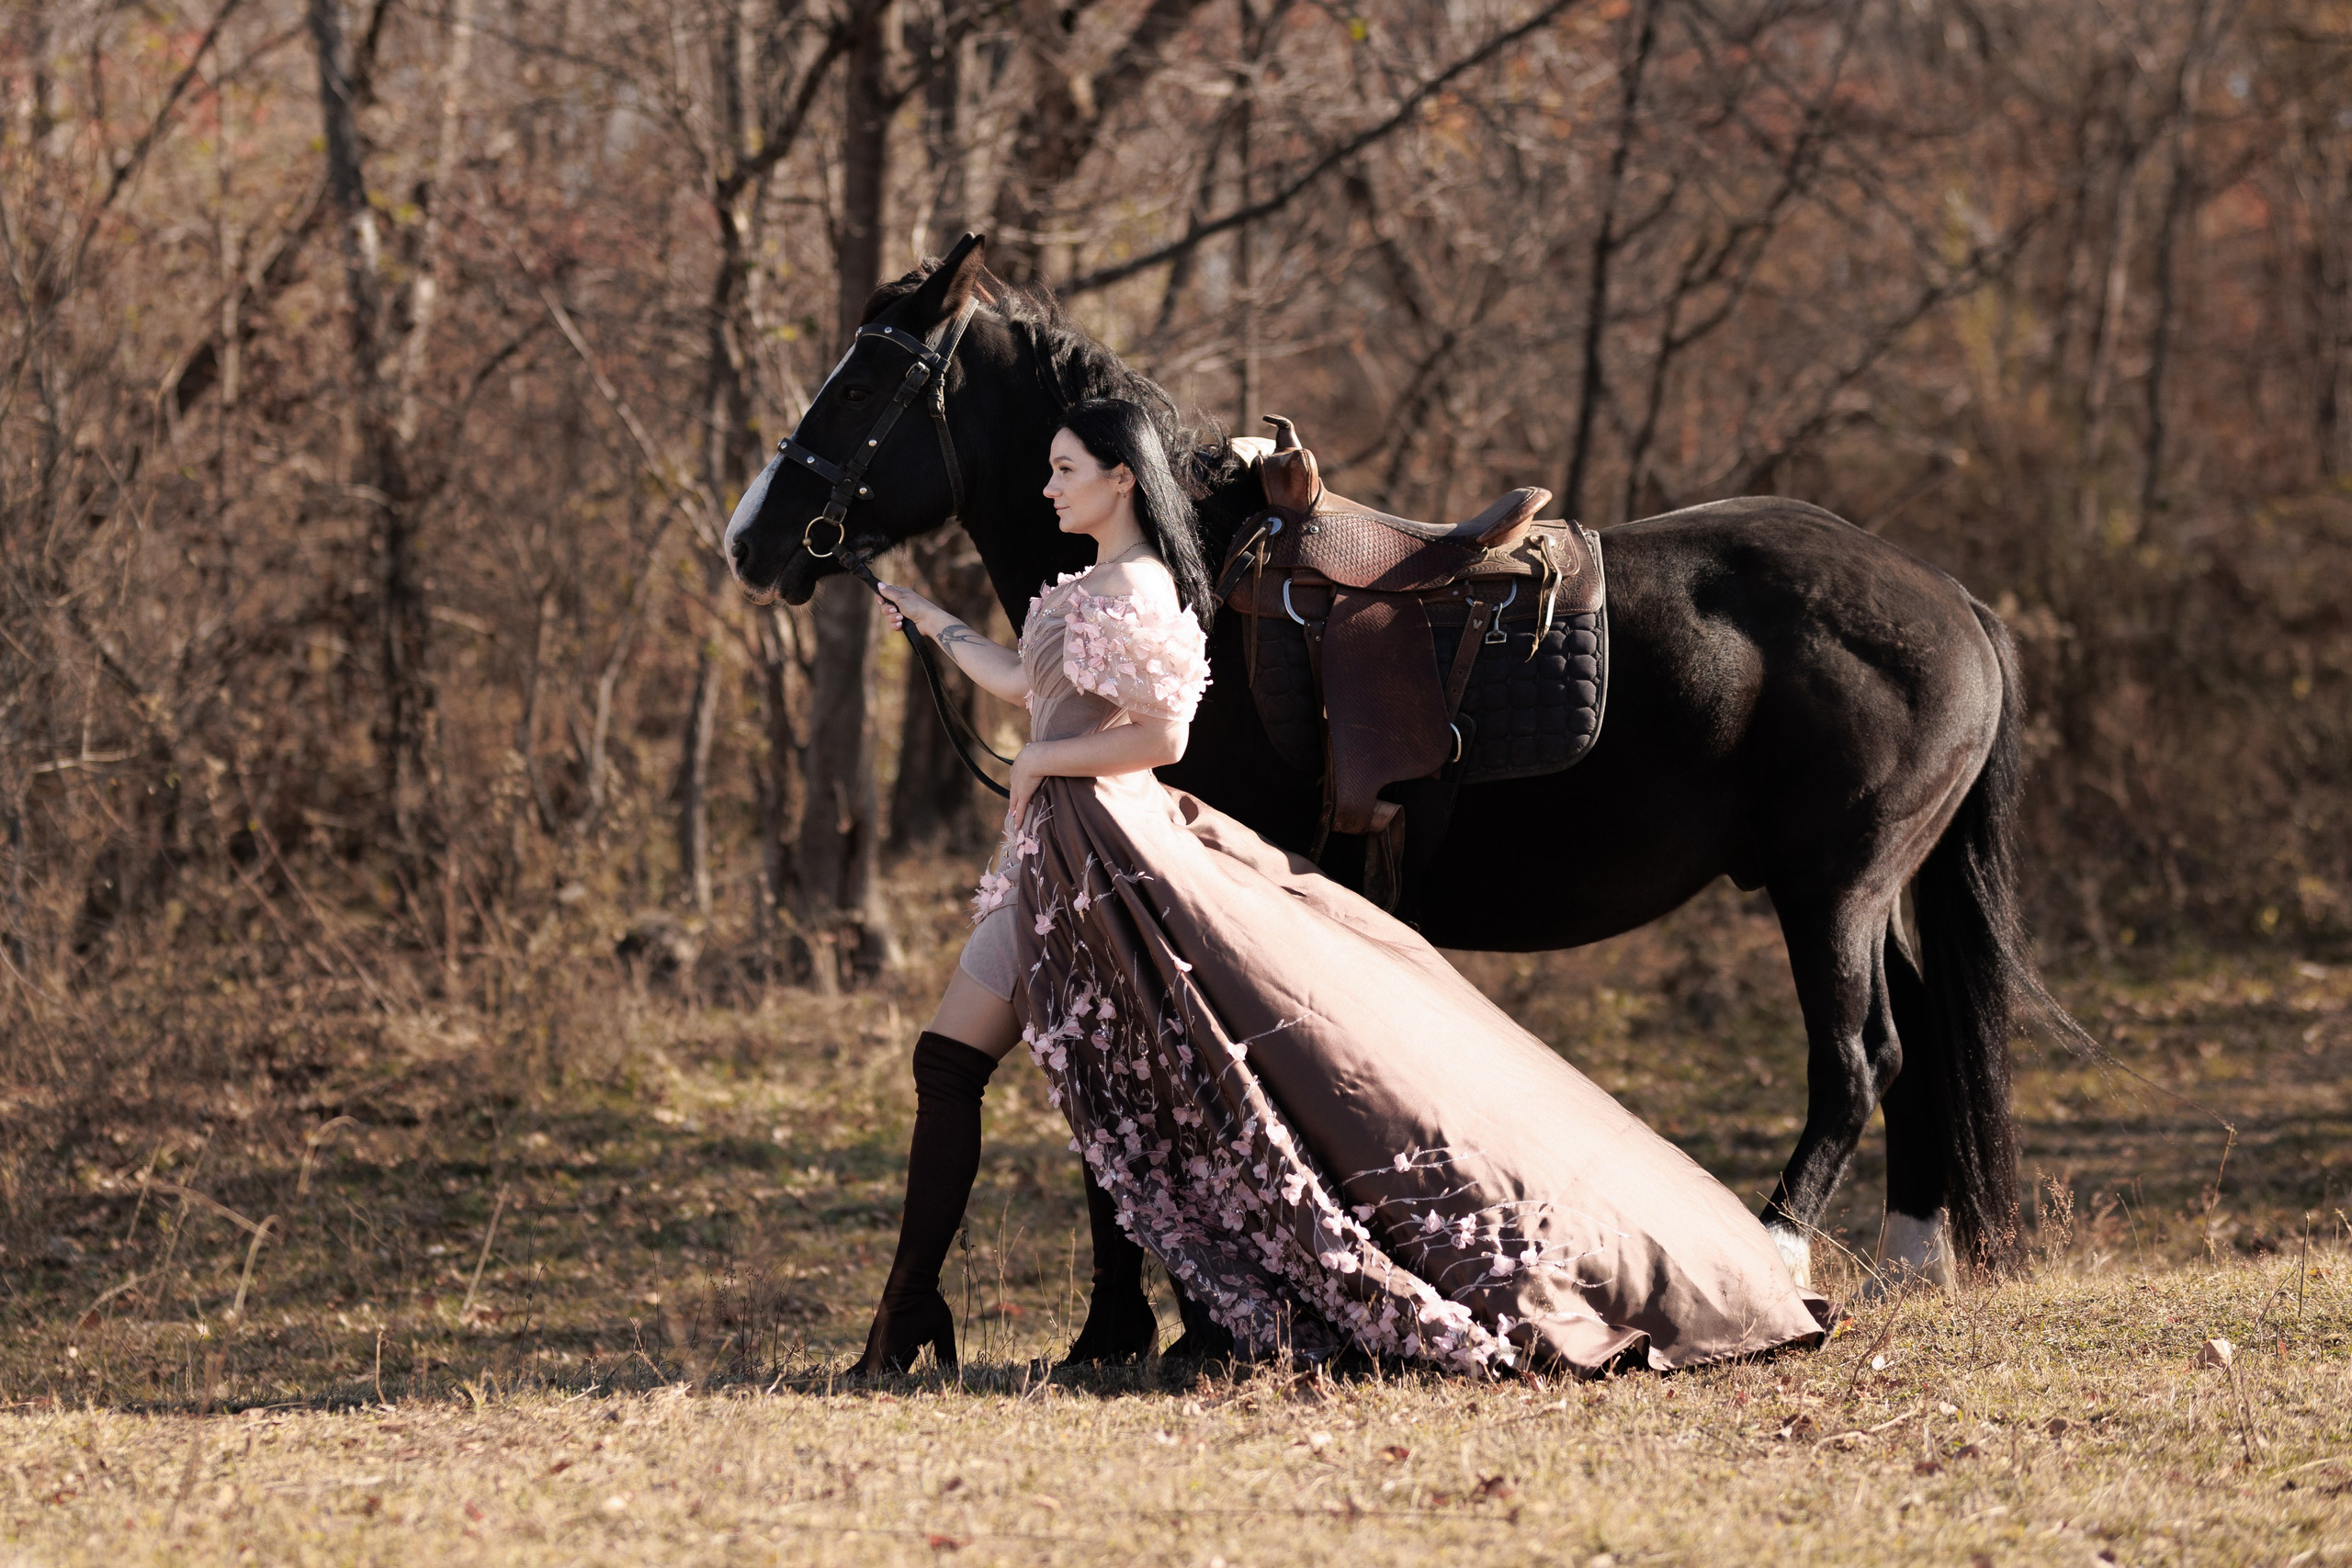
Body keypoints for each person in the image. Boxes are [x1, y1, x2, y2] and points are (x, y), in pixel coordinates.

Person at [859, 398, 1829, 1377]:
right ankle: (907, 1317)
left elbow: (1163, 740)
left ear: (1120, 478)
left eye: (1065, 469)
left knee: (1052, 1075)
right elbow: (1032, 686)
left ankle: (955, 1319)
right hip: (1057, 854)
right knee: (949, 1062)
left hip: (1103, 854)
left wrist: (1039, 769)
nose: (1046, 486)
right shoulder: (1091, 585)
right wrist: (934, 623)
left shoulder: (1142, 589)